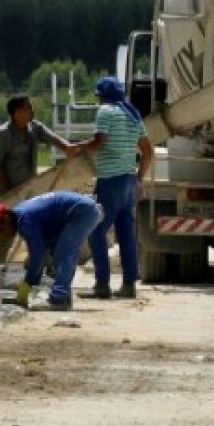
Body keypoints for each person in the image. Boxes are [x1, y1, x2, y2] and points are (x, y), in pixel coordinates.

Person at [69, 76, 152, 299]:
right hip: (129, 182)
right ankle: (128, 286)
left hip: (111, 181)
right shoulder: (133, 114)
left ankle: (102, 285)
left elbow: (99, 142)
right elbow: (147, 150)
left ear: (102, 96)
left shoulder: (105, 111)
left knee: (96, 231)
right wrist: (140, 178)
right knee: (126, 235)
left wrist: (78, 148)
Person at [0, 95, 74, 262]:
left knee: (36, 227)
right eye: (28, 108)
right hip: (8, 189)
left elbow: (55, 140)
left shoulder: (35, 128)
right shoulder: (2, 135)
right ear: (17, 113)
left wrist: (68, 149)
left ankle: (38, 266)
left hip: (30, 188)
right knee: (8, 231)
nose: (32, 111)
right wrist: (10, 193)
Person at [0, 191, 103, 311]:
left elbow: (37, 257)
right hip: (78, 211)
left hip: (81, 211)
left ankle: (58, 299)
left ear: (6, 219)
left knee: (64, 254)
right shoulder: (21, 215)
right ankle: (63, 296)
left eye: (0, 230)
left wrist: (26, 286)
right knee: (56, 252)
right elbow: (44, 248)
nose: (2, 234)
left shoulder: (25, 221)